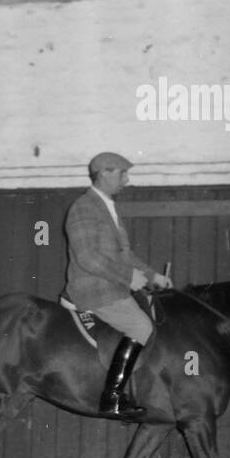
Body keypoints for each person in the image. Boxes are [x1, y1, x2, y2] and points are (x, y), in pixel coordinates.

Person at [63, 152, 172, 420]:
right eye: (122, 173)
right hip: (94, 290)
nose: (127, 179)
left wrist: (152, 276)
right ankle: (111, 398)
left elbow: (126, 256)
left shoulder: (107, 207)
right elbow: (87, 256)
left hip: (113, 286)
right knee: (140, 326)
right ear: (104, 173)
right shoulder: (83, 207)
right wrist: (127, 277)